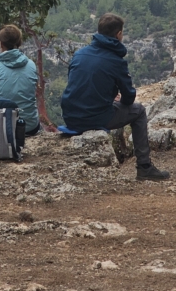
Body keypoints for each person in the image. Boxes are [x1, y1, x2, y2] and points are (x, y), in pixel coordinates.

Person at [60, 13, 170, 182]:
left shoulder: (80, 54)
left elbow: (79, 85)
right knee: (139, 111)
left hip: (70, 117)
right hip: (95, 117)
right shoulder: (115, 61)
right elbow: (128, 96)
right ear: (119, 34)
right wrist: (116, 100)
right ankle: (144, 167)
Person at [0, 24, 40, 136]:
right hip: (30, 126)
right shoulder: (31, 65)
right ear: (19, 42)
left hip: (3, 128)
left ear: (1, 43)